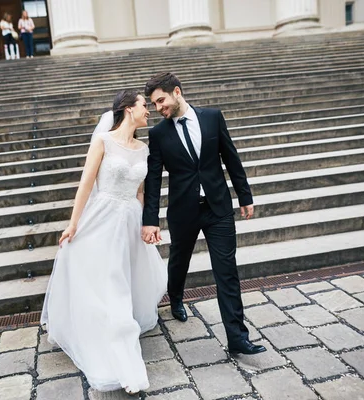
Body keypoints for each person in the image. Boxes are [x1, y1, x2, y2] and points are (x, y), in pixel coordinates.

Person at [41, 90, 167, 395]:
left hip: (130, 220)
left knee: (124, 280)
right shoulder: (103, 142)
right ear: (127, 109)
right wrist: (73, 224)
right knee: (112, 284)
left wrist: (148, 224)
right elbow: (86, 184)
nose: (148, 110)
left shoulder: (143, 150)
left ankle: (120, 337)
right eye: (143, 106)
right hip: (103, 218)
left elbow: (141, 193)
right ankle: (122, 362)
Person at [141, 72, 266, 355]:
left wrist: (244, 196)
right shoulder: (158, 134)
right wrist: (150, 219)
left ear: (176, 92)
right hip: (183, 211)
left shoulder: (212, 117)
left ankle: (237, 338)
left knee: (227, 272)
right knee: (179, 261)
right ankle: (175, 299)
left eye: (161, 100)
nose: (159, 108)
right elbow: (152, 179)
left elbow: (231, 157)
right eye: (154, 104)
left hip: (217, 208)